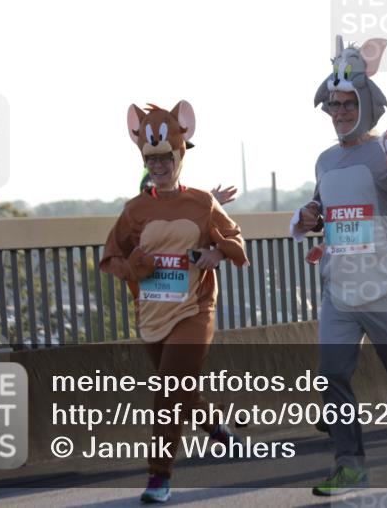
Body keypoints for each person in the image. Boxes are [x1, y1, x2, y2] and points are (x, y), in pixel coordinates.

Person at [292, 36, 387, 496]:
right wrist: (311, 217)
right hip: (340, 287)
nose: (338, 112)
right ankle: (350, 464)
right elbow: (328, 209)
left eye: (347, 103)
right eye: (333, 104)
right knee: (333, 376)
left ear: (367, 104)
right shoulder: (324, 160)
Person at [100, 101, 249, 503]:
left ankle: (159, 475)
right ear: (144, 158)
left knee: (168, 389)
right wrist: (133, 266)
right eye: (153, 159)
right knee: (179, 388)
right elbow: (111, 258)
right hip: (152, 312)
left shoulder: (202, 202)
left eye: (166, 157)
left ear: (180, 154)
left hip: (195, 309)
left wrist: (215, 255)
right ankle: (215, 425)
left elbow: (235, 241)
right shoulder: (134, 210)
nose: (160, 165)